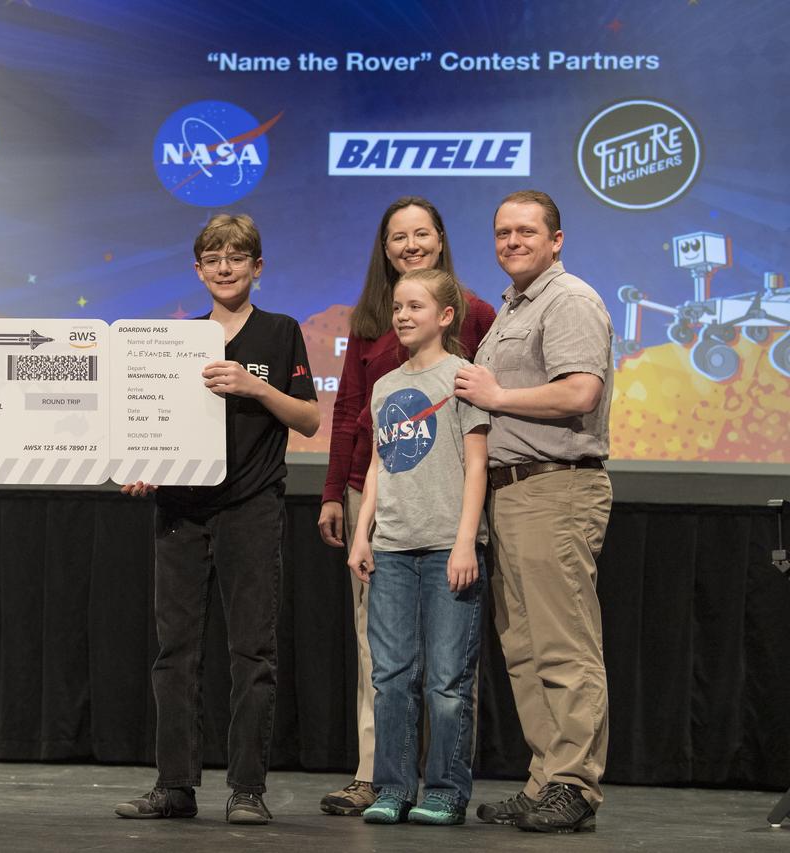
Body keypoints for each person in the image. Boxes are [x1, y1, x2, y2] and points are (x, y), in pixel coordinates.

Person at [114, 213, 319, 825]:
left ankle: (247, 788)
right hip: (181, 509)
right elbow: (153, 420)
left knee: (252, 650)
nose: (224, 268)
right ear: (198, 269)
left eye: (236, 258)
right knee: (175, 651)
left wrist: (255, 387)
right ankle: (174, 785)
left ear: (258, 267)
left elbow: (309, 419)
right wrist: (144, 465)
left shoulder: (280, 332)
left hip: (251, 506)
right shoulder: (175, 340)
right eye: (213, 258)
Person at [318, 197, 494, 816]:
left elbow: (478, 452)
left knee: (449, 675)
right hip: (386, 523)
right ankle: (383, 782)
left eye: (422, 233)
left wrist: (467, 538)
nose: (411, 244)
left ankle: (445, 787)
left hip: (447, 522)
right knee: (387, 668)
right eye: (398, 236)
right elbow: (354, 422)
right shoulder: (374, 335)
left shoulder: (474, 330)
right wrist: (343, 505)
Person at [454, 190, 613, 833]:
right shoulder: (515, 308)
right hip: (512, 493)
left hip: (557, 487)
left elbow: (580, 392)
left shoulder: (569, 299)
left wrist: (496, 395)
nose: (512, 242)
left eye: (526, 231)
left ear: (556, 239)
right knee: (524, 648)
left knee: (563, 644)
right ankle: (546, 779)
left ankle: (575, 783)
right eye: (503, 232)